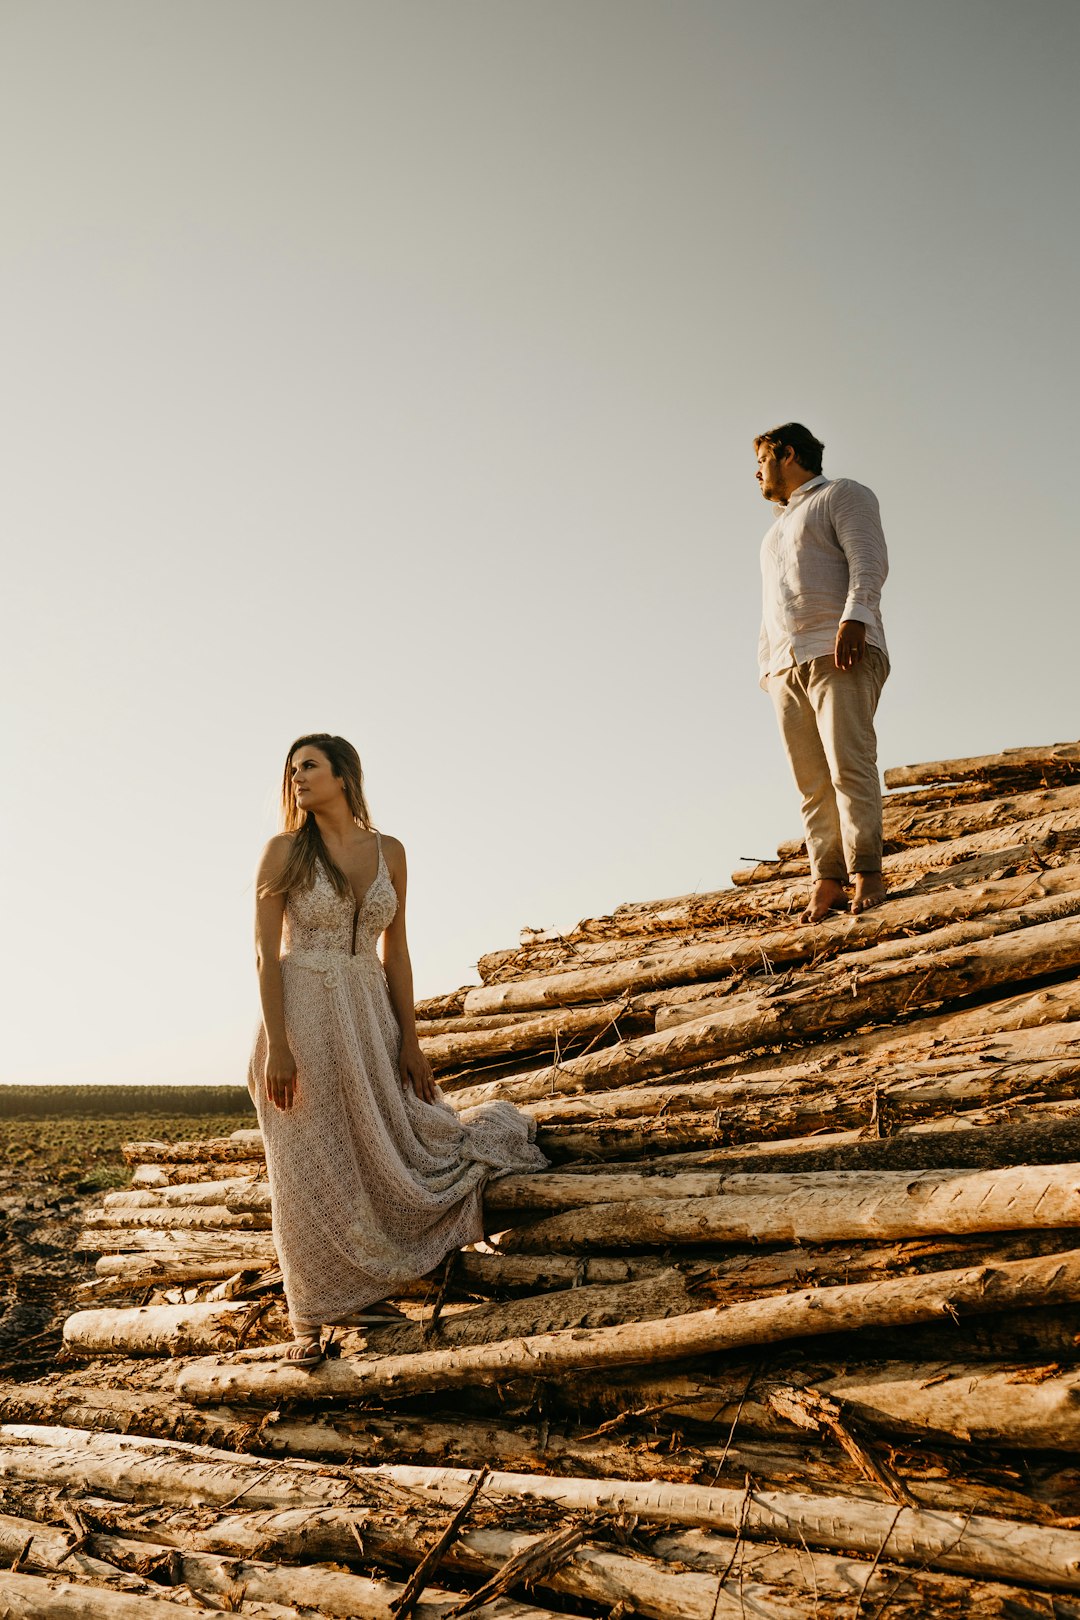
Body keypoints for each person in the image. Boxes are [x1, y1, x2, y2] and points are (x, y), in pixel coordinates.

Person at [249, 732, 547, 1366]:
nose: (297, 778)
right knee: (308, 1166)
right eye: (292, 769)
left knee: (392, 1146)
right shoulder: (283, 851)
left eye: (310, 767)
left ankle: (370, 1284)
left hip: (369, 1017)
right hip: (300, 1019)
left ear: (344, 775)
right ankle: (312, 1316)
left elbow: (397, 950)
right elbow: (264, 952)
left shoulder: (391, 852)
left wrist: (411, 1039)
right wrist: (278, 1044)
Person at [754, 423, 890, 925]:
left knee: (848, 766)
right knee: (811, 783)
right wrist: (767, 667)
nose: (756, 472)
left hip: (839, 649)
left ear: (788, 453)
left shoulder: (842, 494)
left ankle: (867, 873)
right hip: (786, 666)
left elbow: (868, 561)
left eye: (762, 459)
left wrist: (855, 618)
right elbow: (772, 606)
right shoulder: (772, 532)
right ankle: (826, 878)